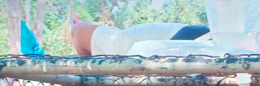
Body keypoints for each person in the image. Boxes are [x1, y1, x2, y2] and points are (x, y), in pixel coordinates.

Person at [67, 12, 209, 56]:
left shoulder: (115, 43)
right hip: (184, 38)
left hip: (182, 38)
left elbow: (77, 29)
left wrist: (81, 55)